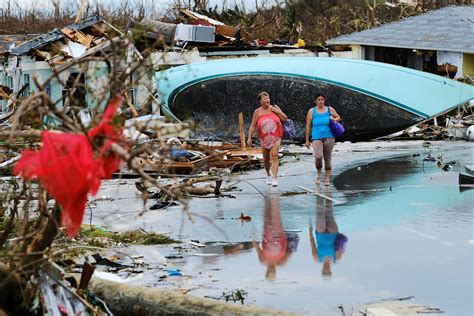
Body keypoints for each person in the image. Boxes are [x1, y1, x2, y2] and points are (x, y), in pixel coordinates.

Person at [247, 91, 288, 187]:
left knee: (274, 156)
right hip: (263, 137)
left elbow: (285, 119)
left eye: (268, 98)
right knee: (266, 159)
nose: (267, 100)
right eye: (265, 98)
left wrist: (278, 111)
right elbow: (253, 126)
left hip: (276, 136)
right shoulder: (257, 112)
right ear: (260, 101)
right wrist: (249, 138)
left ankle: (274, 178)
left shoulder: (275, 108)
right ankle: (268, 175)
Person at [253, 193, 295, 281]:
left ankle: (268, 198)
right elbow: (290, 251)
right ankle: (275, 198)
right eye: (273, 272)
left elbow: (257, 247)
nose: (271, 270)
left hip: (268, 234)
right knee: (276, 216)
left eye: (270, 272)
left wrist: (253, 236)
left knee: (267, 216)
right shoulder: (281, 262)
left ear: (267, 272)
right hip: (278, 235)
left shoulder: (263, 260)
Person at [309, 186, 348, 278]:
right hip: (332, 232)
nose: (326, 270)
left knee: (319, 212)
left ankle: (319, 191)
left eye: (324, 272)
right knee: (329, 209)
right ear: (330, 271)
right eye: (327, 272)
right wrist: (340, 248)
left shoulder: (317, 258)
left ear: (322, 270)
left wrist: (310, 232)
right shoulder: (336, 258)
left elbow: (312, 244)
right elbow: (342, 245)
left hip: (320, 233)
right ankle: (328, 189)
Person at [305, 93, 341, 186]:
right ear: (315, 101)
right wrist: (307, 140)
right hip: (316, 137)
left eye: (322, 99)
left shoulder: (329, 109)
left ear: (324, 101)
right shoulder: (311, 111)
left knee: (327, 157)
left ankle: (328, 178)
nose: (320, 101)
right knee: (318, 157)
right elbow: (308, 126)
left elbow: (338, 117)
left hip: (329, 136)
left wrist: (334, 119)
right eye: (318, 99)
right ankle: (319, 174)